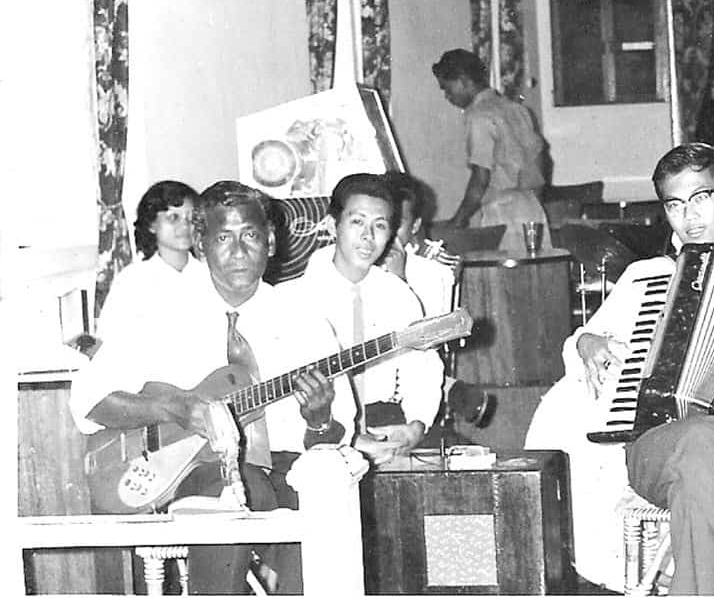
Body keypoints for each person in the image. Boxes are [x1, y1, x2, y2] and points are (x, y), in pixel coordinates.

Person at [526, 144, 714, 595]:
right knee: (700, 436)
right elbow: (578, 350)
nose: (689, 216)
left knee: (698, 479)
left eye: (701, 198)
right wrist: (588, 342)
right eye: (674, 204)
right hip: (649, 448)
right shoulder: (646, 278)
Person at [70, 181, 356, 594]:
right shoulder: (159, 313)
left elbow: (333, 436)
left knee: (319, 500)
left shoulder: (306, 322)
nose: (238, 251)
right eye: (223, 237)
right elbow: (88, 401)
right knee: (232, 487)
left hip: (284, 470)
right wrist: (173, 408)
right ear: (201, 246)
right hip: (190, 472)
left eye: (251, 235)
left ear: (271, 242)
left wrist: (319, 420)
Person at [278, 173, 445, 465]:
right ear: (332, 225)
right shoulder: (292, 298)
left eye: (379, 226)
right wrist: (350, 441)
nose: (368, 237)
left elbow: (423, 368)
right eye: (357, 222)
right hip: (321, 436)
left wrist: (415, 427)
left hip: (390, 425)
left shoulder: (398, 294)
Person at [378, 169, 493, 428]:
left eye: (399, 223)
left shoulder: (433, 273)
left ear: (415, 226)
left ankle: (448, 390)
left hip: (410, 386)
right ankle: (451, 390)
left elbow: (427, 341)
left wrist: (399, 281)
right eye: (381, 220)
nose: (387, 231)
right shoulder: (357, 267)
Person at [432, 48, 550, 252]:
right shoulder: (517, 109)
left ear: (463, 81)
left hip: (502, 213)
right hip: (532, 209)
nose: (447, 96)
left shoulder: (478, 116)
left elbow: (481, 177)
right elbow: (540, 160)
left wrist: (458, 221)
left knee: (503, 279)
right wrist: (532, 200)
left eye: (447, 88)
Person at [98, 180, 207, 339]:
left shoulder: (210, 276)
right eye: (173, 217)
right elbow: (108, 341)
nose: (185, 226)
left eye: (191, 218)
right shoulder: (132, 281)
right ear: (151, 224)